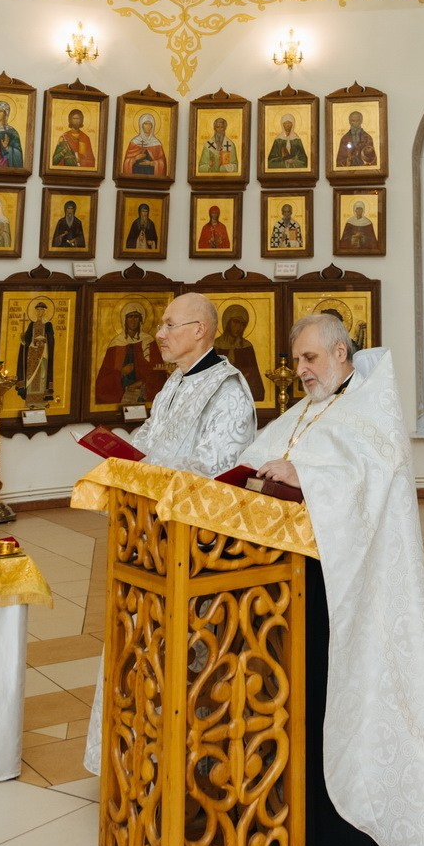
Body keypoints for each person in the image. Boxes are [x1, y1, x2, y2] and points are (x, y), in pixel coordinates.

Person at [248, 316, 424, 846]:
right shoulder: (306, 411)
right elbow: (265, 458)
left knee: (333, 697)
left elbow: (368, 477)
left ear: (342, 353)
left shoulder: (371, 409)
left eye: (311, 359)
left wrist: (305, 474)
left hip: (347, 591)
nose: (302, 372)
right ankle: (289, 830)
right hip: (295, 582)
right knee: (297, 699)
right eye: (296, 362)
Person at [84, 294, 258, 775]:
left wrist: (149, 470)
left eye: (167, 324)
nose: (158, 333)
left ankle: (189, 767)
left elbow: (218, 469)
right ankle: (138, 757)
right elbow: (150, 441)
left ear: (199, 329)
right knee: (141, 648)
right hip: (150, 541)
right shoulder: (174, 384)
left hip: (194, 550)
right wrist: (120, 453)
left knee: (188, 662)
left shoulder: (227, 390)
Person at [94, 307, 160, 406]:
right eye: (130, 317)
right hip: (120, 391)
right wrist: (121, 373)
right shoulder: (116, 343)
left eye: (136, 317)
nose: (133, 320)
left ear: (141, 319)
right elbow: (103, 379)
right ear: (124, 319)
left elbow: (158, 372)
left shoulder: (148, 341)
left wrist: (142, 382)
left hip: (143, 392)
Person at [215, 303, 265, 401]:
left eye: (242, 324)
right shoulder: (216, 346)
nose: (239, 327)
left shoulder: (247, 347)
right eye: (236, 322)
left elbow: (256, 384)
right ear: (227, 322)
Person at [16, 301, 54, 402]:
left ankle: (41, 395)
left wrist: (43, 342)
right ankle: (30, 394)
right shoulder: (31, 324)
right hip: (32, 354)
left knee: (42, 374)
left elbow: (51, 340)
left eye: (41, 310)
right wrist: (23, 338)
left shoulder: (48, 324)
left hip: (43, 354)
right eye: (37, 310)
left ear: (45, 312)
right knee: (31, 374)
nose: (39, 312)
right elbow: (27, 339)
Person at [121, 113, 168, 180]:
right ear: (141, 125)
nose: (148, 126)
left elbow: (162, 163)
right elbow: (126, 163)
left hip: (151, 178)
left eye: (150, 124)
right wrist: (135, 159)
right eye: (145, 124)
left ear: (153, 126)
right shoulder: (134, 142)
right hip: (135, 176)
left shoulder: (156, 143)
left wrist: (151, 163)